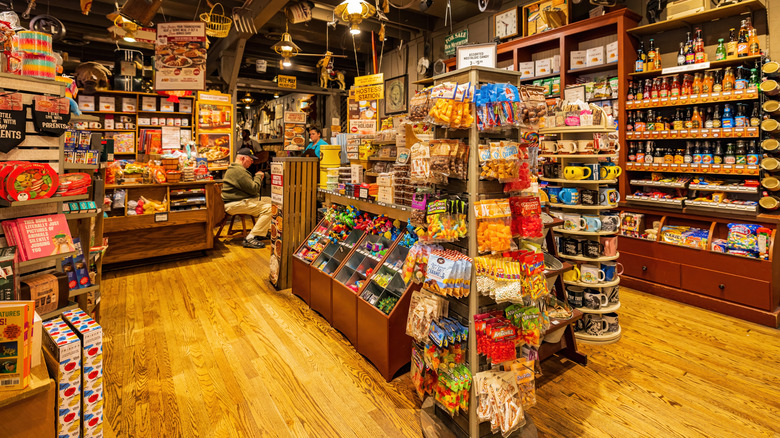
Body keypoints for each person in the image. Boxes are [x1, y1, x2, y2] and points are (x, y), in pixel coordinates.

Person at [221, 148, 272, 249]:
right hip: (235, 204)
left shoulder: (235, 169)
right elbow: (254, 189)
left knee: (270, 201)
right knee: (270, 208)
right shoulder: (239, 171)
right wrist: (258, 177)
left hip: (237, 201)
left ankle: (261, 232)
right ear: (243, 158)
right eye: (251, 159)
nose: (252, 162)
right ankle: (251, 238)